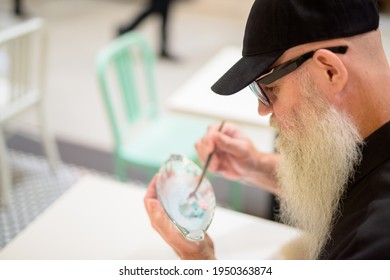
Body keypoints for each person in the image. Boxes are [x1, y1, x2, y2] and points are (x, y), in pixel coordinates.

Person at [144, 0, 390, 259]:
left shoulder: (374, 242)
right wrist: (255, 165)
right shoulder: (370, 143)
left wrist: (200, 261)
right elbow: (350, 185)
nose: (263, 110)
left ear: (329, 72)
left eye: (270, 88)